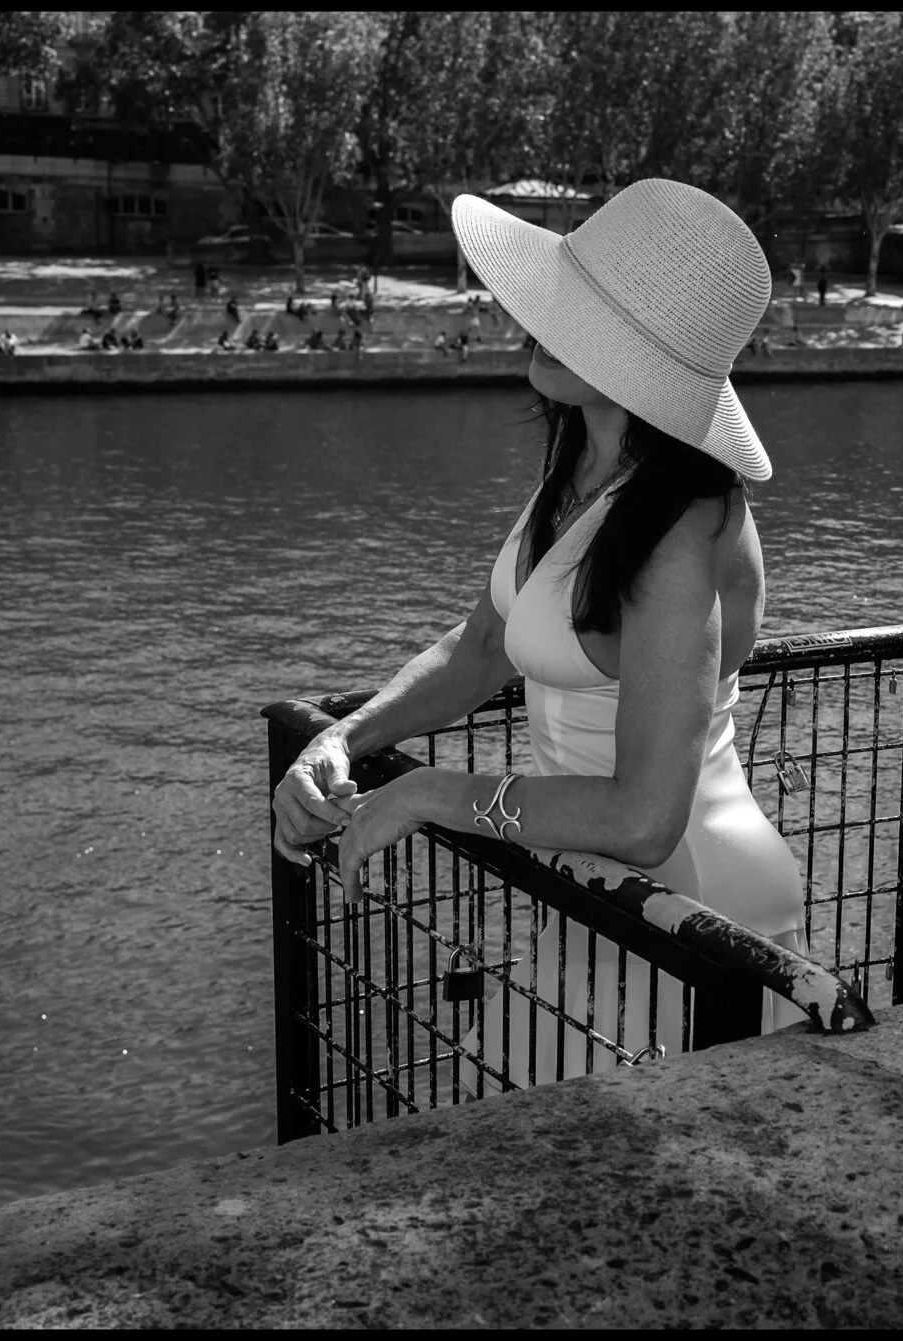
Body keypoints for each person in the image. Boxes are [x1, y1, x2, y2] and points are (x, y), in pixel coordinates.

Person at [272, 179, 811, 1078]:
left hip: (694, 911)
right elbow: (486, 644)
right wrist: (345, 738)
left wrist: (430, 792)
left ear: (646, 362)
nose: (539, 317)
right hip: (593, 891)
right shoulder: (586, 464)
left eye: (582, 311)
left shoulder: (685, 524)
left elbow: (643, 817)